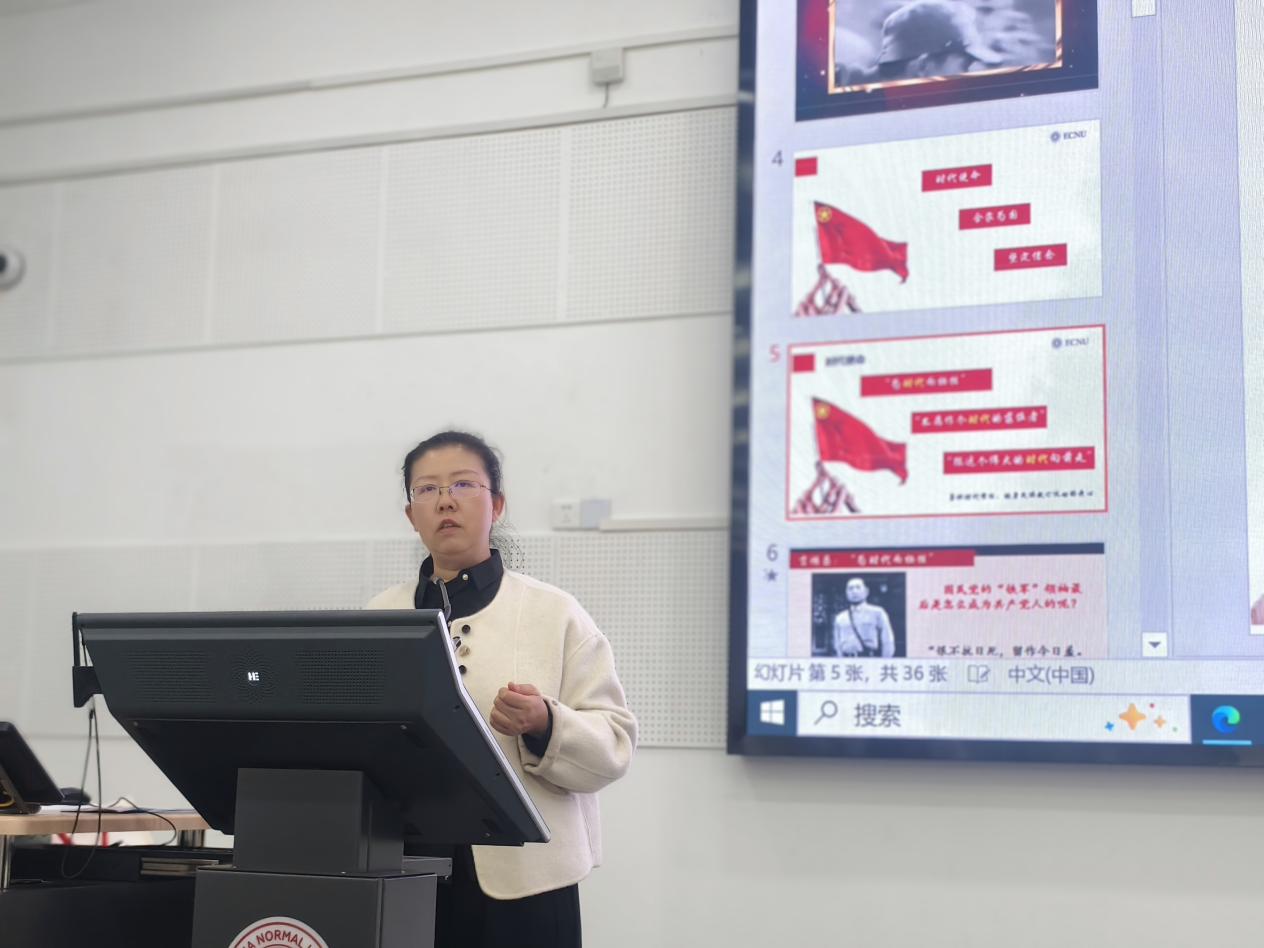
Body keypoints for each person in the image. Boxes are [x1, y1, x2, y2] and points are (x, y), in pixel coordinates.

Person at [366, 430, 637, 948]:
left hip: (527, 883)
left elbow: (615, 745)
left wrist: (546, 725)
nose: (445, 500)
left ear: (497, 504)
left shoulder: (553, 613)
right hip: (398, 872)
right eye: (428, 489)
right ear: (411, 515)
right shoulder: (379, 616)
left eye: (463, 484)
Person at [833, 577, 896, 657]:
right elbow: (837, 644)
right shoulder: (840, 618)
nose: (854, 591)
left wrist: (885, 661)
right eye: (850, 588)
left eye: (858, 587)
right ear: (846, 593)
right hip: (847, 660)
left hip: (869, 659)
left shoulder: (877, 613)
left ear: (866, 591)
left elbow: (887, 641)